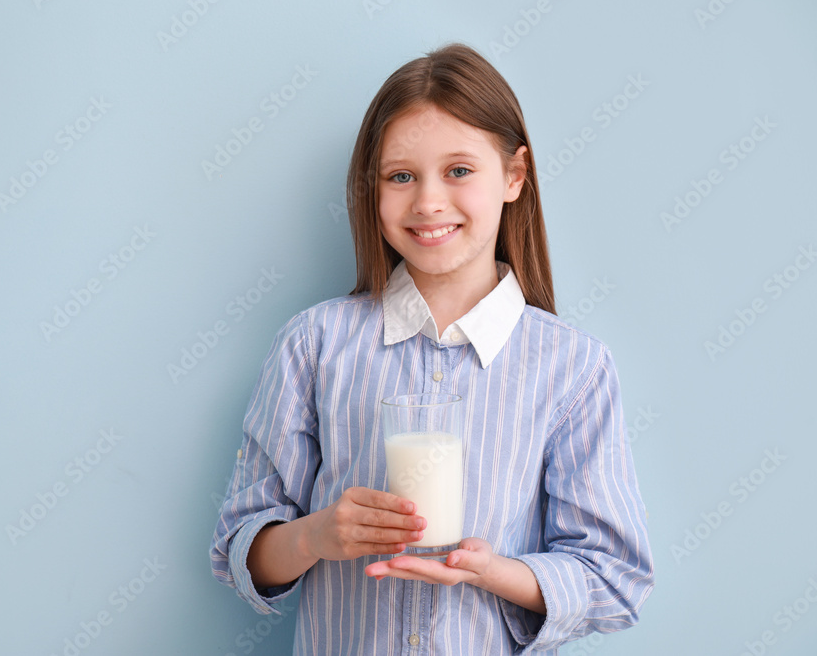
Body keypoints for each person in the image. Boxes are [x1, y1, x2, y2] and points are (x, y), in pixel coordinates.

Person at [210, 42, 654, 654]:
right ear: (374, 189)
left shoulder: (573, 367)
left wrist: (493, 571)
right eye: (401, 176)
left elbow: (615, 579)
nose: (428, 202)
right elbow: (240, 546)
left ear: (515, 176)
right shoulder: (314, 345)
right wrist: (316, 536)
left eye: (459, 171)